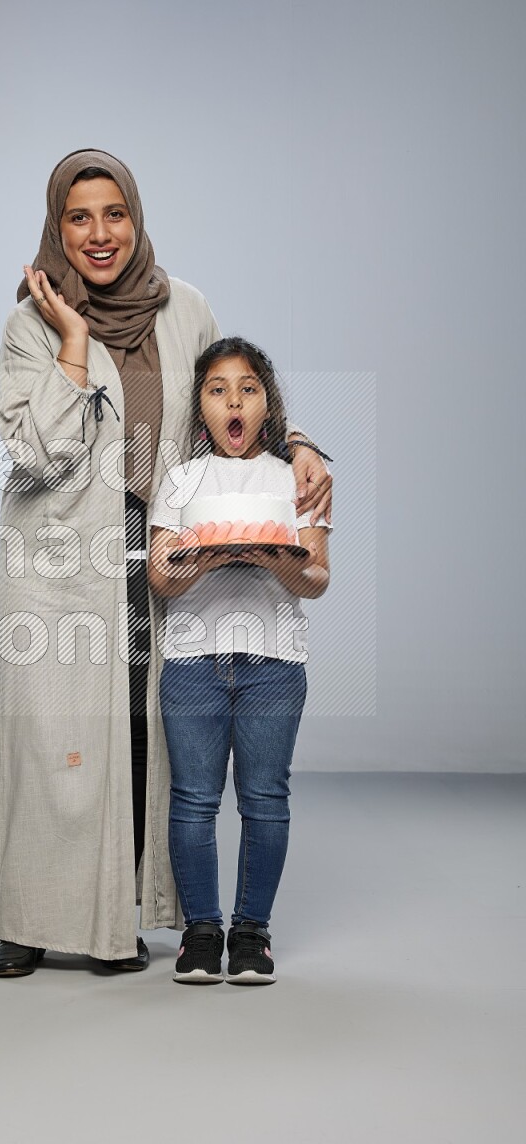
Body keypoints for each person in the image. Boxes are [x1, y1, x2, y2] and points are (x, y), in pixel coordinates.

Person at [0, 150, 333, 977]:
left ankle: (114, 921)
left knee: (139, 740)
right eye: (79, 217)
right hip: (59, 556)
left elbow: (234, 401)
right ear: (56, 228)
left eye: (115, 214)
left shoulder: (187, 308)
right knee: (48, 742)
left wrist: (301, 442)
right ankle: (29, 922)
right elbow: (35, 453)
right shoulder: (30, 323)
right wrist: (73, 340)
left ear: (136, 219)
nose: (100, 234)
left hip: (165, 550)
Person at [148, 336, 332, 984]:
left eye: (248, 388)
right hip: (193, 660)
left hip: (274, 663)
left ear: (267, 404)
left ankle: (251, 932)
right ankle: (201, 931)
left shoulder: (295, 479)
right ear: (202, 407)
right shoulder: (180, 480)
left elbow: (317, 579)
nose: (234, 400)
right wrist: (198, 560)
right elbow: (162, 581)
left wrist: (271, 557)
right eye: (218, 388)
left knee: (265, 799)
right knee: (194, 801)